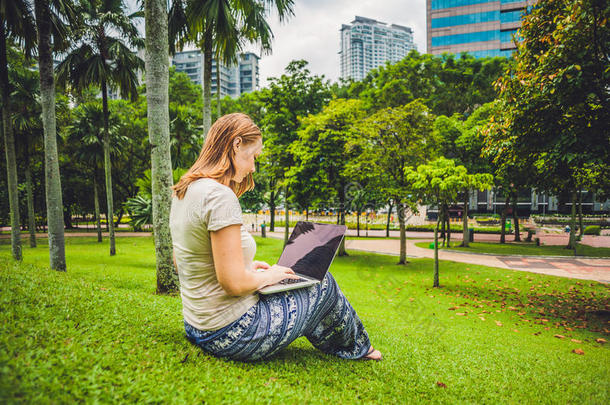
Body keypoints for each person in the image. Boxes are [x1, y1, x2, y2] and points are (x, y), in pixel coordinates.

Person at [169, 113, 381, 362]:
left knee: (300, 283)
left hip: (196, 327)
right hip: (231, 334)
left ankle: (339, 341)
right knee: (322, 283)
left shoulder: (185, 189)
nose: (253, 168)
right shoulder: (219, 196)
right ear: (236, 144)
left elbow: (182, 261)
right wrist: (271, 275)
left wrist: (248, 267)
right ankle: (359, 348)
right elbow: (233, 284)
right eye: (254, 156)